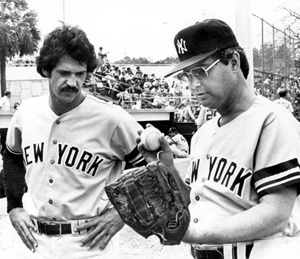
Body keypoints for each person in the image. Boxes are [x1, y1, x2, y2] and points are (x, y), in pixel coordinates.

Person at [138, 19, 300, 259]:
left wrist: (194, 233)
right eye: (187, 75)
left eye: (201, 71)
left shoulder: (272, 120)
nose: (193, 85)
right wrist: (167, 169)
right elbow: (198, 203)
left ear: (233, 62)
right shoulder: (203, 132)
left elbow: (276, 215)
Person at [2, 24, 145, 259]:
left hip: (89, 242)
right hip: (36, 243)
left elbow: (146, 169)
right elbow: (13, 158)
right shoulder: (26, 113)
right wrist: (14, 206)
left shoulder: (112, 118)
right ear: (47, 70)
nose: (73, 82)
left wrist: (123, 214)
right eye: (64, 73)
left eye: (80, 74)